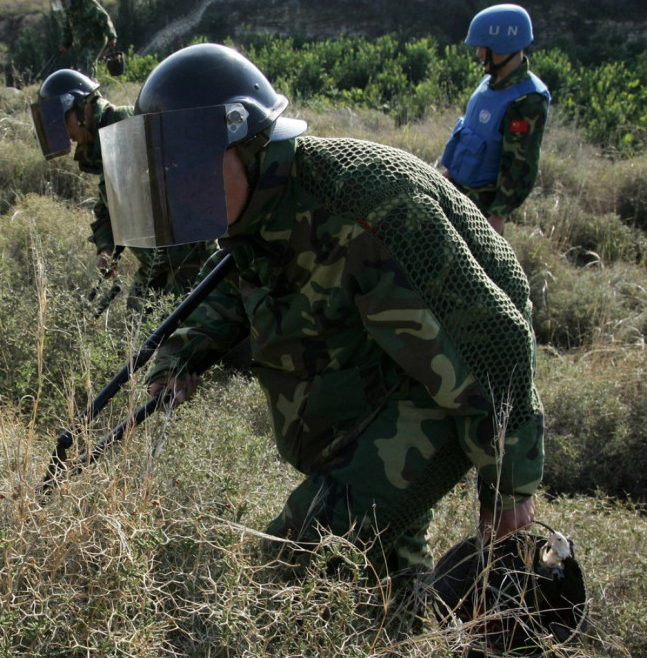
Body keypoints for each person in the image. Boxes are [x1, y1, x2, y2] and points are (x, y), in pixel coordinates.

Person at [98, 43, 544, 583]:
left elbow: (495, 340)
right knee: (381, 565)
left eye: (191, 167)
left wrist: (508, 493)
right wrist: (179, 355)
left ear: (247, 141)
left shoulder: (368, 208)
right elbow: (235, 283)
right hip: (375, 387)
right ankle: (404, 620)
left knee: (297, 561)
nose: (182, 187)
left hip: (446, 392)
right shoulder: (254, 211)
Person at [31, 69, 214, 310]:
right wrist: (107, 248)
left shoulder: (130, 128)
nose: (65, 134)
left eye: (62, 121)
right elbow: (110, 207)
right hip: (158, 263)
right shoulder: (104, 143)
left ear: (82, 109)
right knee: (138, 323)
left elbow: (193, 190)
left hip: (191, 259)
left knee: (180, 335)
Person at [441, 4, 551, 235]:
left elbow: (520, 165)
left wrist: (498, 215)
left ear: (503, 45)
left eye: (484, 47)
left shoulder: (527, 100)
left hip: (481, 210)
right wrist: (449, 175)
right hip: (455, 192)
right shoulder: (489, 83)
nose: (479, 53)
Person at [58, 0, 117, 79]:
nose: (62, 3)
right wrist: (64, 44)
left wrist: (112, 36)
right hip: (82, 43)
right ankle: (91, 89)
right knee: (85, 66)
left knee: (85, 62)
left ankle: (87, 87)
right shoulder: (70, 10)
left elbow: (103, 18)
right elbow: (68, 28)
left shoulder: (85, 3)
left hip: (95, 39)